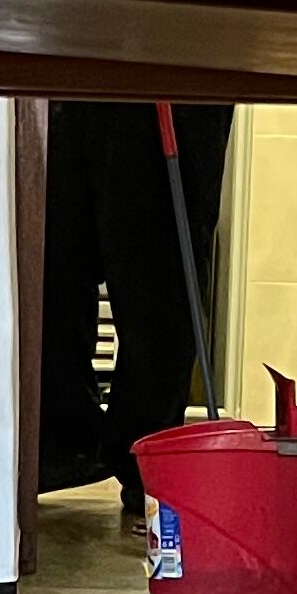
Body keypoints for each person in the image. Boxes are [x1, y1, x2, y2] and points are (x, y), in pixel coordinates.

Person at [38, 100, 228, 524]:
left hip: (170, 77)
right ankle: (62, 444)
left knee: (158, 279)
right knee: (50, 266)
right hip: (66, 72)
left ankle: (148, 454)